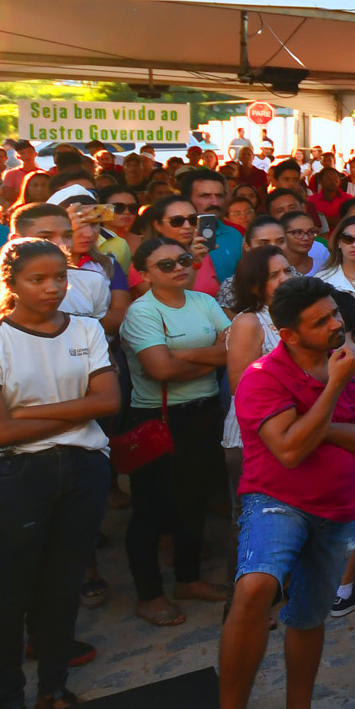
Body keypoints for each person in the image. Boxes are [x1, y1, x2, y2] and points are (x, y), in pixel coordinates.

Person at [163, 278, 355, 709]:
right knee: (254, 589)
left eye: (334, 314)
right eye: (321, 321)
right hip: (275, 501)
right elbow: (287, 451)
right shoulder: (264, 376)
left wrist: (313, 423)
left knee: (308, 615)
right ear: (288, 334)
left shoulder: (346, 365)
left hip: (336, 508)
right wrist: (331, 394)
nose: (336, 324)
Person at [0, 239, 117, 709]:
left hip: (85, 470)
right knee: (12, 593)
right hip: (17, 475)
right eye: (38, 279)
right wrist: (76, 412)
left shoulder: (87, 328)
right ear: (10, 282)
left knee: (64, 585)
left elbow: (109, 402)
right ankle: (10, 700)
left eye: (60, 278)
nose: (53, 288)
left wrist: (27, 413)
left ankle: (54, 687)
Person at [120, 235, 234, 627]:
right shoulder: (142, 312)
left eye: (184, 260)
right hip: (158, 418)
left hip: (204, 413)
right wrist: (212, 357)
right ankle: (149, 595)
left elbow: (235, 349)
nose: (179, 268)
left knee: (194, 500)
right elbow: (161, 370)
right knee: (151, 511)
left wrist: (184, 354)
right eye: (166, 265)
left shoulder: (203, 301)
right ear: (145, 273)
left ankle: (188, 580)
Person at [223, 245, 292, 501]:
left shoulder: (296, 315)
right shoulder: (249, 322)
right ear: (254, 286)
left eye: (287, 271)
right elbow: (240, 387)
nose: (284, 279)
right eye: (274, 275)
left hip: (293, 430)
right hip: (254, 436)